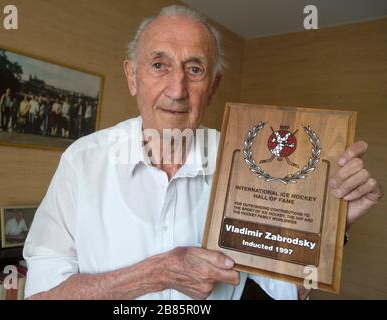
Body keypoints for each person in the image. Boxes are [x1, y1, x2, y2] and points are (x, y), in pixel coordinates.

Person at [23, 5, 383, 300]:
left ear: (212, 87)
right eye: (159, 65)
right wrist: (156, 274)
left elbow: (287, 291)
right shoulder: (81, 161)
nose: (177, 89)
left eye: (194, 69)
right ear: (133, 77)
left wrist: (333, 225)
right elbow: (41, 296)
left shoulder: (247, 165)